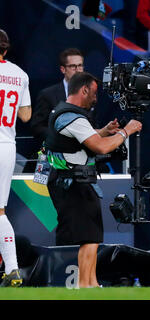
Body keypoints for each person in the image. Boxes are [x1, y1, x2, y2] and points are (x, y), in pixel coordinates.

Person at [45, 72, 142, 288]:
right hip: (73, 182)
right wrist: (127, 131)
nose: (96, 98)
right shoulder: (74, 117)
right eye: (95, 93)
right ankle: (85, 285)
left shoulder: (63, 112)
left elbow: (81, 138)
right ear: (84, 90)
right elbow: (101, 147)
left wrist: (104, 131)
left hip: (72, 180)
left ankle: (91, 283)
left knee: (91, 237)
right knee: (89, 236)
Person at [0, 29, 32, 287]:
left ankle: (11, 266)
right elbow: (26, 116)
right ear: (6, 50)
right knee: (0, 211)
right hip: (7, 146)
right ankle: (12, 268)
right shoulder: (20, 74)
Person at [31, 48, 85, 146]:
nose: (78, 70)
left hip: (84, 154)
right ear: (63, 69)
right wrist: (60, 139)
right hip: (56, 153)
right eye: (73, 66)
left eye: (80, 65)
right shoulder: (47, 94)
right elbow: (37, 127)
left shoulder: (89, 94)